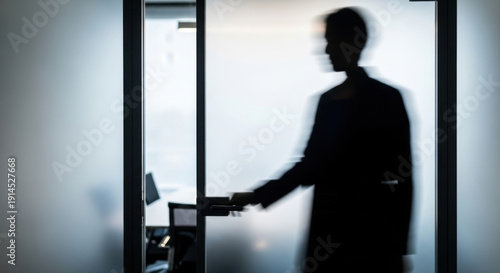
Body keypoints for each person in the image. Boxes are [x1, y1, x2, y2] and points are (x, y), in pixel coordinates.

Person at [230, 7, 413, 273]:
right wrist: (258, 194)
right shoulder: (342, 100)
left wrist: (398, 245)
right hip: (345, 233)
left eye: (331, 40)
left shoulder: (377, 100)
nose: (325, 50)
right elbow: (310, 166)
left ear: (355, 42)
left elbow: (403, 177)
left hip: (366, 236)